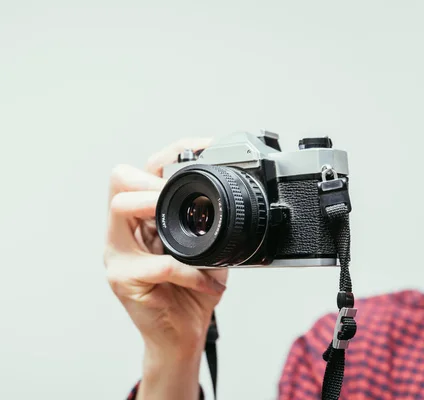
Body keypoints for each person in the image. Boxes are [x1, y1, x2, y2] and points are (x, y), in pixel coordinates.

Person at [103, 138, 424, 400]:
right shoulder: (353, 351)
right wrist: (172, 351)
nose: (202, 217)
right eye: (202, 211)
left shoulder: (368, 359)